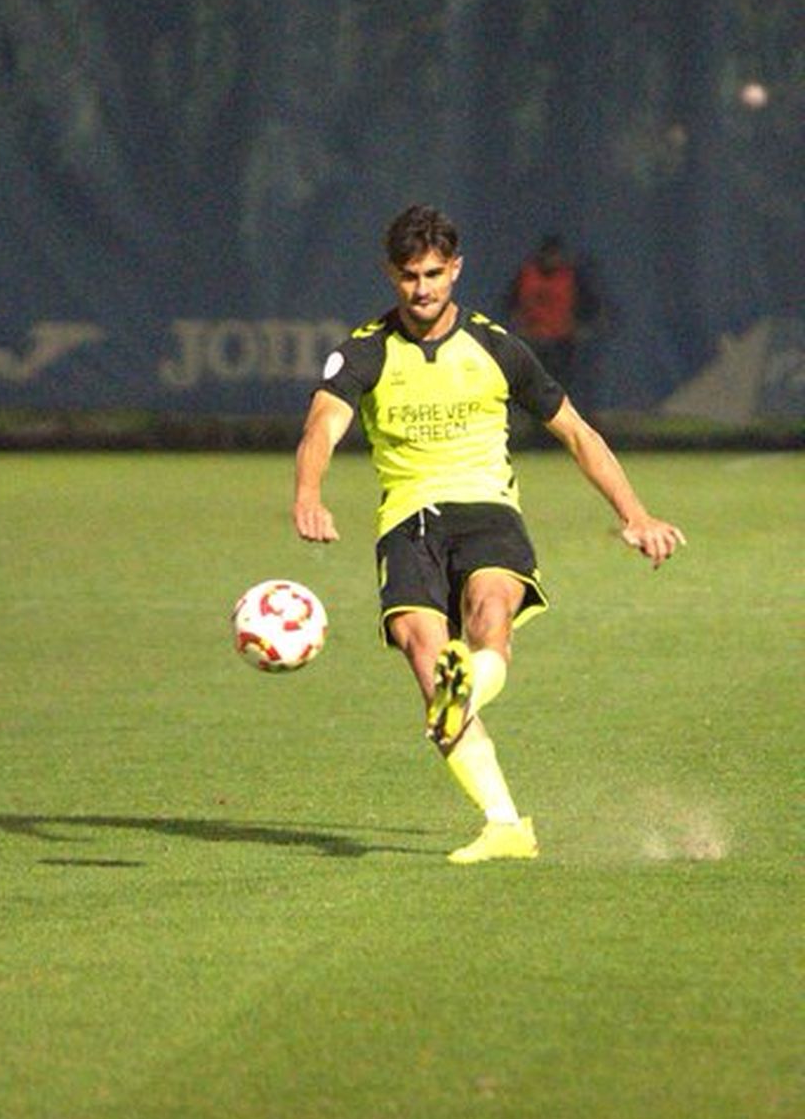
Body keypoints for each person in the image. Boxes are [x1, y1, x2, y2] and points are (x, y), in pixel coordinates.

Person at [291, 204, 684, 863]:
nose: (422, 289)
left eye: (434, 274)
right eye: (410, 276)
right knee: (425, 655)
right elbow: (321, 427)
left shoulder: (496, 346)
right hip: (408, 521)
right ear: (391, 274)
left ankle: (465, 689)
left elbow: (577, 433)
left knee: (489, 613)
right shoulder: (364, 350)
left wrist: (635, 515)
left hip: (487, 509)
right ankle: (505, 825)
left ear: (456, 269)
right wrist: (308, 494)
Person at [506, 233, 598, 397]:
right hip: (532, 338)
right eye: (549, 255)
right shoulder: (527, 274)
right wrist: (516, 325)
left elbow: (588, 304)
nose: (552, 259)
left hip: (562, 340)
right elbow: (511, 302)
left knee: (561, 382)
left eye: (556, 255)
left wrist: (582, 326)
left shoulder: (570, 276)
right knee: (532, 381)